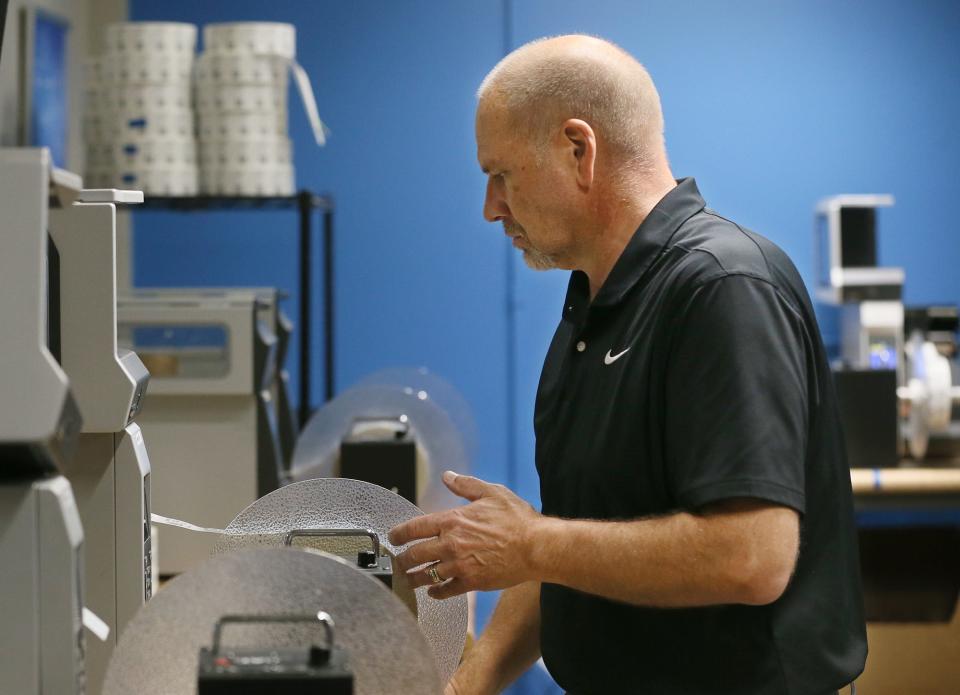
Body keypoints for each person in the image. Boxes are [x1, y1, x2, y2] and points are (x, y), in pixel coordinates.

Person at [389, 34, 867, 695]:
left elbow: (753, 556)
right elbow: (575, 543)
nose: (491, 207)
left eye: (501, 174)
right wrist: (469, 682)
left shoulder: (722, 287)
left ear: (578, 150)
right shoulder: (594, 304)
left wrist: (530, 543)